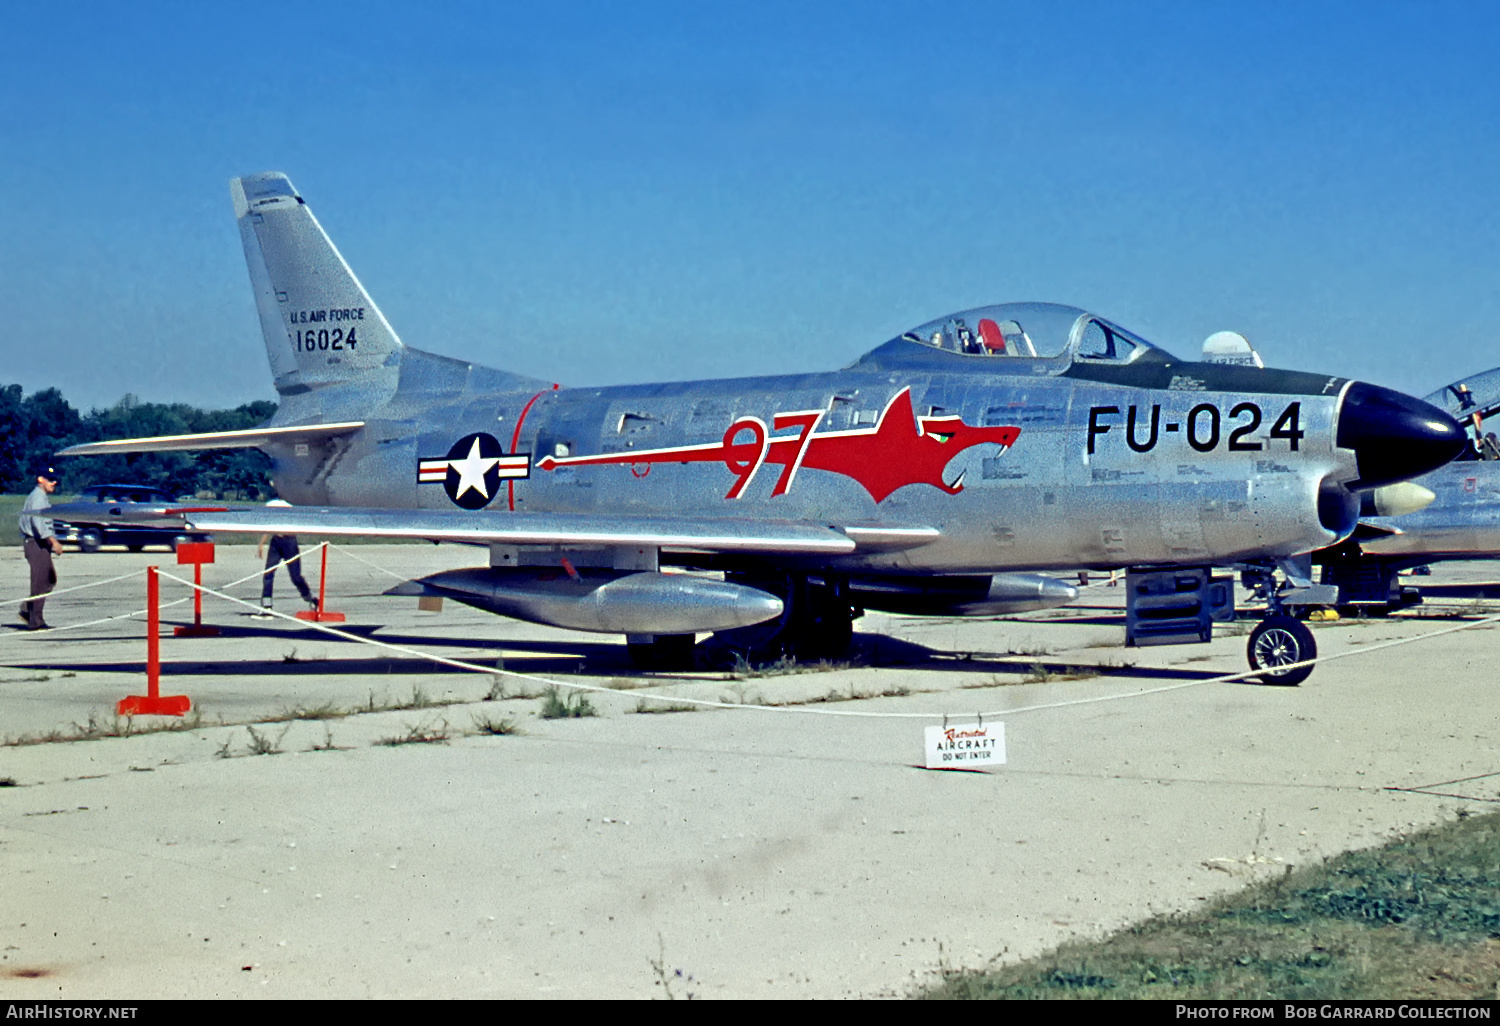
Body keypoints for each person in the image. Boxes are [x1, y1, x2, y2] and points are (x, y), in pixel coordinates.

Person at [18, 465, 63, 630]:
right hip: (36, 543)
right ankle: (35, 620)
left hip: (40, 543)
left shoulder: (41, 497)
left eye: (55, 479)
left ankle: (27, 610)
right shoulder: (38, 497)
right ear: (40, 479)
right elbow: (38, 524)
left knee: (49, 579)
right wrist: (54, 542)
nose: (54, 482)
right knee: (39, 582)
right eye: (50, 480)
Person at [255, 498, 316, 618]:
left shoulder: (290, 505)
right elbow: (269, 524)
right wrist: (262, 543)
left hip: (289, 543)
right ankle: (267, 606)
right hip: (276, 541)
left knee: (296, 577)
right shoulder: (271, 504)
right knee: (268, 573)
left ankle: (311, 598)